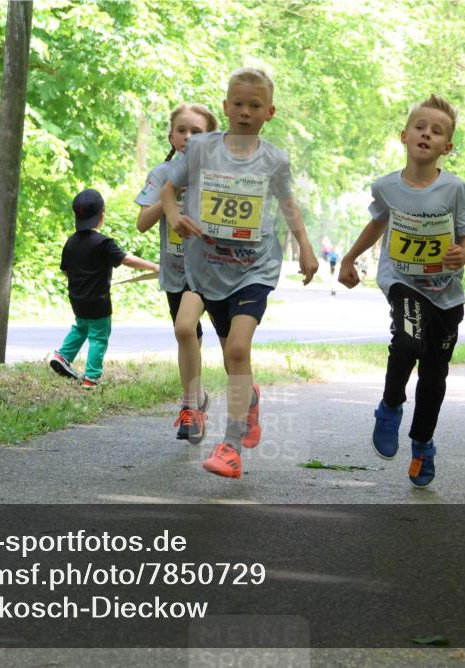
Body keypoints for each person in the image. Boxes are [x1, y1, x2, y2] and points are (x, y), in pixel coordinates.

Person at [161, 67, 319, 479]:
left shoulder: (274, 159)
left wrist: (304, 247)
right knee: (233, 361)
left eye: (255, 106)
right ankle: (247, 398)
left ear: (270, 112)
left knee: (236, 349)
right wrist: (176, 214)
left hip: (255, 268)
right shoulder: (201, 151)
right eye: (238, 103)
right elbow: (166, 188)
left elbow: (287, 204)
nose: (245, 112)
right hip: (209, 271)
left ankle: (230, 445)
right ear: (226, 105)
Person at [338, 94, 465, 487]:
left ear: (446, 148)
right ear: (404, 135)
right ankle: (390, 405)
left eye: (437, 131)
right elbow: (377, 224)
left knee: (434, 377)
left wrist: (461, 255)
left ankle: (422, 445)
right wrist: (350, 258)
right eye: (420, 127)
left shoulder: (456, 189)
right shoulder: (387, 187)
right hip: (403, 281)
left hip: (446, 295)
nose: (426, 134)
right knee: (406, 343)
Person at [135, 103, 219, 444]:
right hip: (175, 271)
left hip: (213, 270)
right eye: (182, 130)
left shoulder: (221, 174)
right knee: (187, 334)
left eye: (197, 132)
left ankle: (193, 405)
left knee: (190, 329)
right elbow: (142, 223)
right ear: (171, 136)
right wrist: (171, 197)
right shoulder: (160, 174)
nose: (188, 137)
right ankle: (195, 401)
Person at [51, 189, 159, 388]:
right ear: (101, 216)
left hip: (77, 299)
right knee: (99, 337)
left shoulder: (71, 242)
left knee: (81, 327)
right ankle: (91, 378)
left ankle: (62, 355)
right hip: (98, 303)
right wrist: (153, 266)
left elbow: (66, 271)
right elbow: (126, 259)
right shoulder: (103, 243)